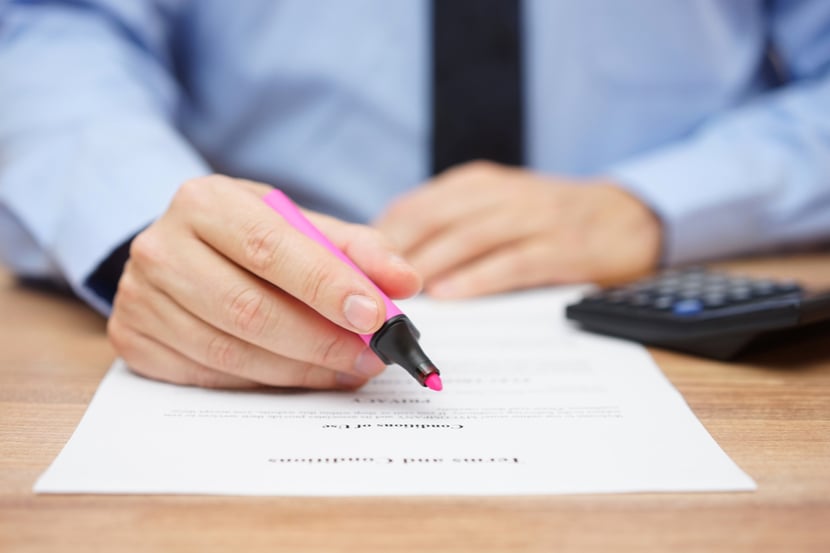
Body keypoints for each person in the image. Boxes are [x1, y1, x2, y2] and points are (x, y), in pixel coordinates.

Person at [1, 1, 829, 390]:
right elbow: (55, 28)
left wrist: (664, 200)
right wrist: (148, 227)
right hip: (257, 291)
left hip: (690, 305)